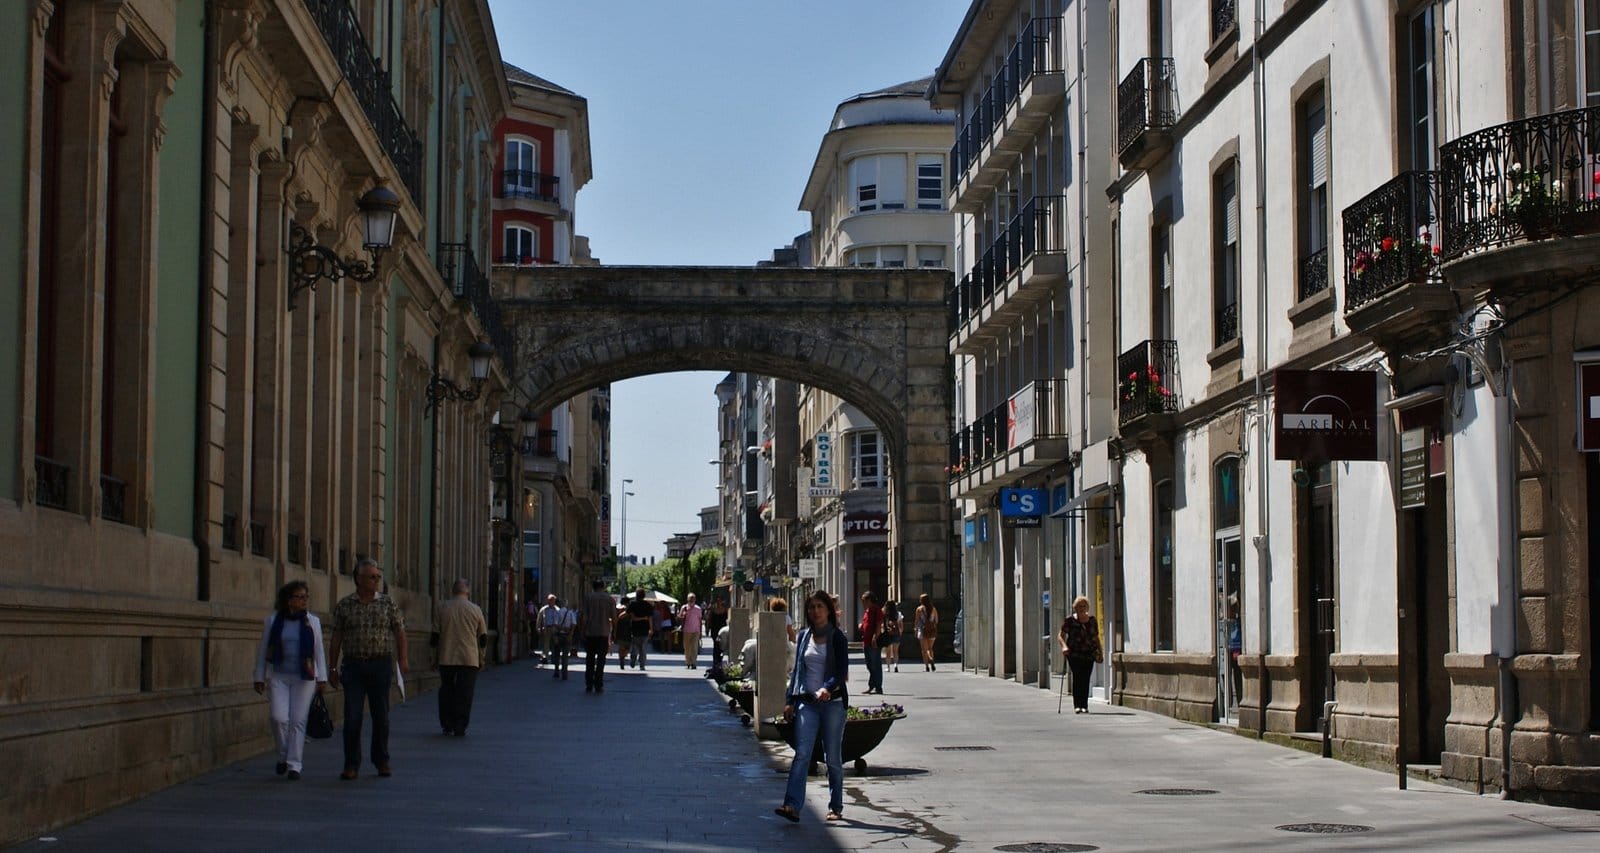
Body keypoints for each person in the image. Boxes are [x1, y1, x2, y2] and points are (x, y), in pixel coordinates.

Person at [773, 589, 850, 824]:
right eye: (812, 607)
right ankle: (792, 805)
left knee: (833, 758)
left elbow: (840, 672)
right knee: (802, 753)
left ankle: (835, 805)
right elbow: (797, 671)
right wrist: (790, 700)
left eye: (820, 606)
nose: (815, 611)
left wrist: (827, 687)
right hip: (807, 702)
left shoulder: (838, 637)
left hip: (832, 703)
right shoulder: (805, 636)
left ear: (828, 610)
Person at [329, 558, 409, 780]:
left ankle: (381, 760)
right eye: (371, 576)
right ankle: (351, 763)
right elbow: (336, 637)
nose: (376, 580)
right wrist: (332, 667)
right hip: (354, 665)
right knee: (352, 716)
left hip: (380, 664)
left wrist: (403, 659)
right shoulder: (345, 605)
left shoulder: (387, 604)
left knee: (381, 715)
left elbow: (400, 632)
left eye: (377, 576)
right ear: (359, 579)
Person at [252, 581, 328, 781]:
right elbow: (263, 650)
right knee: (278, 718)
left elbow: (318, 650)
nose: (304, 601)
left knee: (297, 720)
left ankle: (295, 764)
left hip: (304, 677)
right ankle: (283, 755)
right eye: (299, 597)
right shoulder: (273, 621)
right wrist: (259, 676)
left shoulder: (312, 622)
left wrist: (322, 677)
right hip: (279, 675)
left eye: (306, 597)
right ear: (289, 600)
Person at [431, 579, 487, 736]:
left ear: (453, 591)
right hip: (469, 658)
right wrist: (481, 658)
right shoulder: (476, 610)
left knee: (446, 690)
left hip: (446, 656)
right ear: (467, 592)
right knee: (465, 693)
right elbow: (483, 637)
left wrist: (433, 657)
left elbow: (435, 635)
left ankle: (446, 723)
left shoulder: (442, 608)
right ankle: (460, 725)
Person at [1058, 595, 1103, 714]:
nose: (1081, 608)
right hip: (1074, 654)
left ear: (1087, 607)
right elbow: (1060, 635)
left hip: (1089, 654)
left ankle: (1084, 705)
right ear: (1075, 608)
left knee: (1086, 678)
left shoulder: (1092, 621)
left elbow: (1096, 638)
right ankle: (1077, 705)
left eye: (1083, 606)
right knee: (1077, 677)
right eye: (1079, 606)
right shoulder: (1070, 621)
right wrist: (1064, 646)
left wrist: (1100, 652)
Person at [576, 579, 616, 693]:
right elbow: (614, 617)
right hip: (603, 633)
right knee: (601, 660)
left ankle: (589, 684)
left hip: (590, 633)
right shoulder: (609, 599)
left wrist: (582, 630)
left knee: (590, 659)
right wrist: (614, 632)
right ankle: (599, 684)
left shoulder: (588, 598)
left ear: (593, 587)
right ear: (603, 587)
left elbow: (584, 617)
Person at [858, 591, 884, 694]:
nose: (863, 603)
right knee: (869, 665)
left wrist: (875, 637)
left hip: (873, 642)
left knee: (875, 664)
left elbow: (878, 624)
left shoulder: (876, 610)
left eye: (864, 601)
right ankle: (872, 685)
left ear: (869, 600)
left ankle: (878, 687)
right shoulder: (867, 611)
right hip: (866, 641)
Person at [625, 588, 654, 669]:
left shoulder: (632, 604)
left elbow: (631, 616)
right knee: (643, 648)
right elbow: (650, 618)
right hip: (645, 629)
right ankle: (642, 664)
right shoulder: (648, 605)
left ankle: (633, 659)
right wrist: (651, 628)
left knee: (634, 646)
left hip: (634, 629)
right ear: (644, 595)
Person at [914, 593, 940, 671]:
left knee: (924, 650)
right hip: (932, 631)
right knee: (930, 649)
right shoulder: (933, 609)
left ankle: (927, 666)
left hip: (922, 630)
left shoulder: (919, 609)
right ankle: (931, 659)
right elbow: (936, 620)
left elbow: (917, 621)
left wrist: (915, 629)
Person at [536, 594, 563, 666]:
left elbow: (560, 620)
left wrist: (560, 629)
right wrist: (538, 628)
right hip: (546, 628)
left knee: (555, 644)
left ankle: (554, 659)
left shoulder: (558, 610)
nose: (551, 602)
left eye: (553, 600)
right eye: (550, 600)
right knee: (546, 644)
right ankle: (545, 658)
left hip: (555, 628)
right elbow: (539, 619)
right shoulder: (544, 609)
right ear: (548, 601)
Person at [679, 593, 703, 668]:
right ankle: (687, 662)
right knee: (686, 647)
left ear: (695, 600)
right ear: (687, 599)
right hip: (686, 630)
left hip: (695, 630)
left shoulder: (698, 609)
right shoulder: (684, 607)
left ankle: (693, 663)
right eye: (690, 599)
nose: (691, 600)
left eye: (693, 599)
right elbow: (679, 618)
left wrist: (701, 632)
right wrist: (683, 615)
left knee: (694, 647)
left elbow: (700, 620)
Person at [706, 597, 730, 668]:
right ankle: (715, 661)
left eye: (720, 601)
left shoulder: (725, 610)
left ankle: (719, 660)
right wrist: (707, 629)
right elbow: (709, 620)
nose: (719, 602)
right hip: (715, 630)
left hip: (723, 631)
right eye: (717, 601)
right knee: (716, 645)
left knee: (721, 646)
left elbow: (728, 620)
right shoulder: (713, 610)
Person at [881, 600, 903, 673]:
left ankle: (888, 667)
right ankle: (895, 665)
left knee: (888, 652)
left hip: (887, 633)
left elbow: (881, 624)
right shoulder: (898, 614)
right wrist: (900, 632)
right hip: (896, 633)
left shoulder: (884, 613)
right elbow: (901, 626)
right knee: (895, 651)